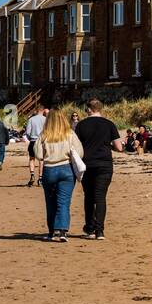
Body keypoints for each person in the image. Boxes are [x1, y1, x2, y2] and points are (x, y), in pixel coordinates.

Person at [74, 99, 123, 240]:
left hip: (87, 163)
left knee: (88, 197)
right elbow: (119, 147)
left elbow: (77, 147)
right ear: (100, 109)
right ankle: (100, 231)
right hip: (104, 164)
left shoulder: (81, 125)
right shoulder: (109, 124)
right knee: (100, 197)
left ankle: (90, 228)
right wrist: (109, 146)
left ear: (89, 109)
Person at [35, 109, 83, 242]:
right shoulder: (70, 133)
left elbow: (38, 155)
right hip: (66, 169)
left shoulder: (44, 134)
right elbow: (80, 152)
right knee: (64, 202)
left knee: (50, 202)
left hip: (49, 169)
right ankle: (62, 231)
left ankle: (52, 232)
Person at [25, 106, 48, 187]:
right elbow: (47, 131)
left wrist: (30, 138)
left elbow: (27, 132)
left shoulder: (31, 119)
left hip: (33, 141)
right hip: (41, 141)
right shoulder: (45, 119)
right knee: (41, 160)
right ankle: (40, 178)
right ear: (43, 111)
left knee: (32, 158)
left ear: (36, 110)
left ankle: (32, 175)